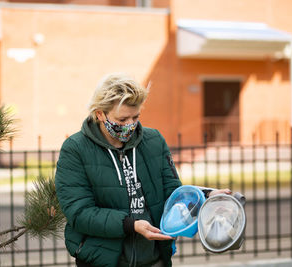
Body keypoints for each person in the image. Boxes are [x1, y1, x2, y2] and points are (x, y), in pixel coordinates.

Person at [55, 73, 230, 267]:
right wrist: (132, 225)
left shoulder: (153, 140)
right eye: (121, 119)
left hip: (154, 259)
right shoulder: (75, 148)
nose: (129, 125)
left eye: (135, 117)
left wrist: (204, 195)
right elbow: (80, 213)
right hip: (103, 260)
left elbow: (172, 193)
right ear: (100, 114)